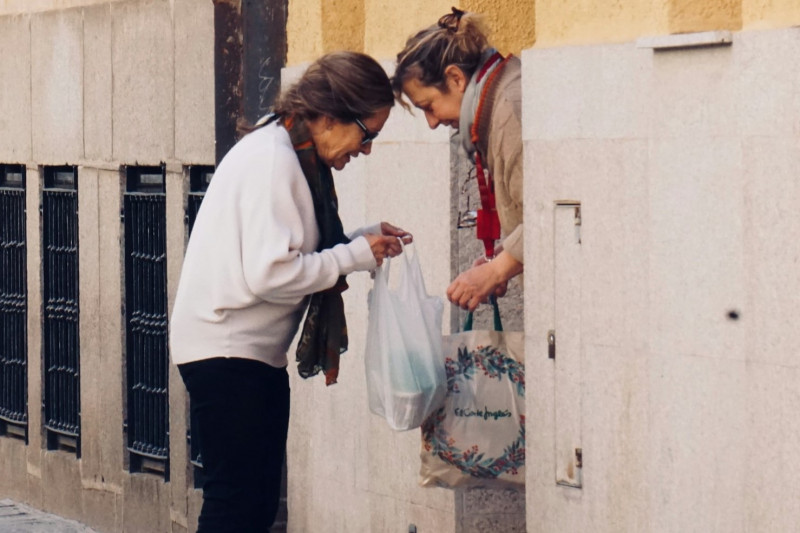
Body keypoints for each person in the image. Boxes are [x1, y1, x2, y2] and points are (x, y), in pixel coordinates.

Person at [170, 51, 412, 532]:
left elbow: (292, 248)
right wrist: (354, 255)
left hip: (243, 353)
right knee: (236, 506)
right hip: (228, 352)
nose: (366, 151)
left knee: (254, 506)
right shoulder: (274, 160)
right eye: (368, 134)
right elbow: (271, 273)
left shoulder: (285, 151)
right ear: (328, 115)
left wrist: (360, 240)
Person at [392, 8, 523, 312]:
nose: (432, 123)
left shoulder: (510, 112)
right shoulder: (498, 101)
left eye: (429, 106)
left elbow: (546, 217)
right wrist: (503, 258)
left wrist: (496, 269)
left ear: (455, 79)